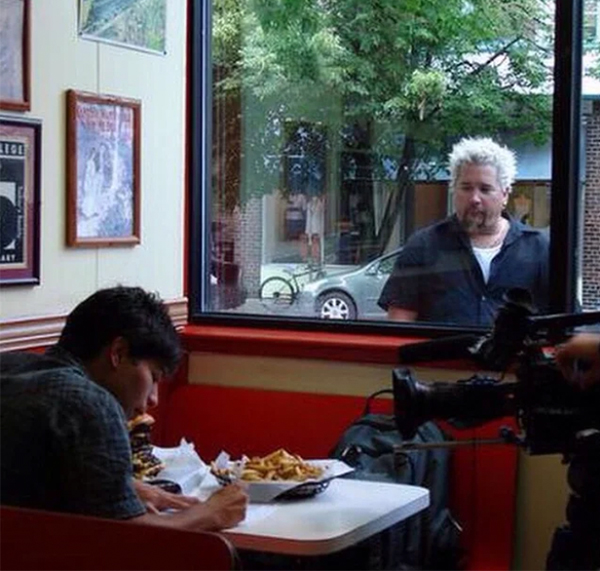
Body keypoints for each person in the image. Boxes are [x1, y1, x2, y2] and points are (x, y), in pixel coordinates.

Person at [0, 286, 248, 530]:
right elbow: (126, 537)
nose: (154, 399)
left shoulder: (10, 367)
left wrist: (123, 488)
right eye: (154, 377)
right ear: (118, 353)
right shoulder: (93, 405)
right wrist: (210, 513)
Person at [378, 137, 549, 327]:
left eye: (485, 189)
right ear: (454, 190)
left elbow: (560, 325)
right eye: (466, 188)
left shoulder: (538, 248)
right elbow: (399, 325)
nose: (475, 198)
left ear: (505, 194)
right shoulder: (423, 246)